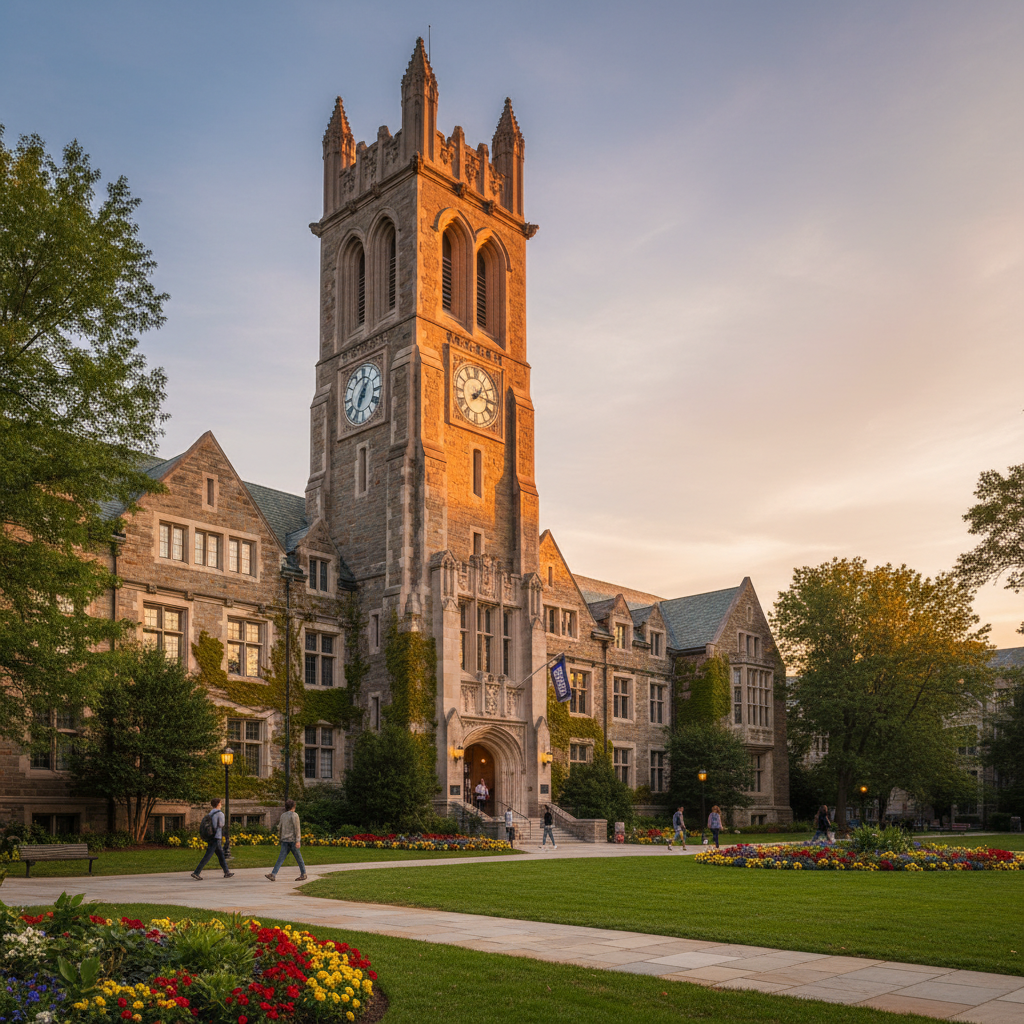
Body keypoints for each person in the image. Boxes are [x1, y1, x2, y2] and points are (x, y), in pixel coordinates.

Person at [190, 797, 234, 880]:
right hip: (216, 837)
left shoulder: (210, 813)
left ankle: (227, 872)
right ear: (218, 804)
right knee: (208, 856)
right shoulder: (220, 814)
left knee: (221, 855)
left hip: (211, 836)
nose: (221, 805)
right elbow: (221, 825)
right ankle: (196, 872)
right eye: (220, 803)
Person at [265, 798, 308, 882]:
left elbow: (279, 827)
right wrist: (298, 840)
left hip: (285, 840)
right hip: (292, 840)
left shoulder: (283, 816)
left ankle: (273, 874)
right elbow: (297, 829)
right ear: (293, 806)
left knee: (281, 858)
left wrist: (280, 837)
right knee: (299, 858)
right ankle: (303, 874)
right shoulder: (295, 815)